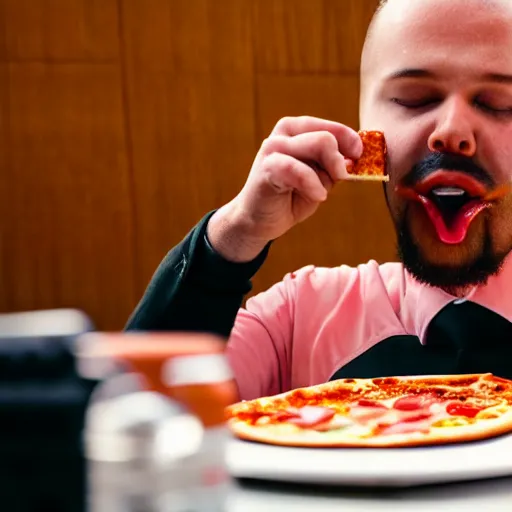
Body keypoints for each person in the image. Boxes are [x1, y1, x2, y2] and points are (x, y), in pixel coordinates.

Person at [126, 0, 512, 400]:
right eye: (415, 98)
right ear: (367, 133)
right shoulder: (298, 320)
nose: (451, 131)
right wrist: (236, 234)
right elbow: (133, 416)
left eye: (500, 104)